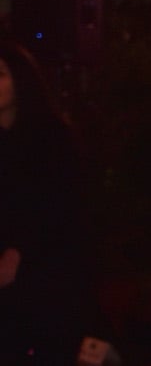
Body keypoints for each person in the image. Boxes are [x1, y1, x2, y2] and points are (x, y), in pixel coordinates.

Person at [0, 39, 96, 364]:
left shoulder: (50, 138)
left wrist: (19, 250)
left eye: (0, 75)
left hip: (47, 276)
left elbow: (60, 206)